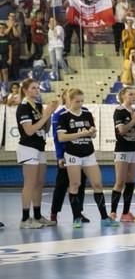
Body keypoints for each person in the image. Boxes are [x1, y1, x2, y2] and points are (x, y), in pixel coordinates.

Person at [57, 88, 120, 228]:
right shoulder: (64, 116)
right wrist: (81, 134)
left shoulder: (87, 114)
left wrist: (91, 133)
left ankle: (104, 218)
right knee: (75, 184)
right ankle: (76, 217)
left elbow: (93, 135)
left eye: (81, 101)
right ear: (70, 100)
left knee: (97, 184)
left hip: (88, 153)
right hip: (72, 154)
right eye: (76, 101)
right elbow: (61, 137)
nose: (79, 104)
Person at [16, 78, 58, 228]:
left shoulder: (38, 106)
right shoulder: (23, 107)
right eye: (33, 88)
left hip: (40, 146)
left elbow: (44, 129)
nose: (37, 90)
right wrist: (46, 115)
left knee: (39, 183)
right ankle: (25, 219)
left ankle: (38, 215)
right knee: (30, 183)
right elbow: (29, 130)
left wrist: (50, 114)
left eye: (38, 88)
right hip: (28, 147)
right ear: (26, 90)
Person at [49, 88, 89, 225]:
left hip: (81, 155)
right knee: (61, 185)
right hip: (66, 155)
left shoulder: (83, 112)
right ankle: (54, 213)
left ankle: (78, 213)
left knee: (80, 184)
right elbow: (57, 137)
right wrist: (60, 156)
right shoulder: (59, 114)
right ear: (65, 98)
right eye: (68, 96)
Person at [110, 88, 135, 223]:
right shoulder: (119, 111)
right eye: (130, 94)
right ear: (123, 96)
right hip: (122, 149)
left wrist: (134, 131)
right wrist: (133, 122)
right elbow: (122, 130)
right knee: (120, 181)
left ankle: (125, 212)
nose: (133, 97)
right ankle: (112, 212)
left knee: (131, 181)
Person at [0, 22, 11, 87]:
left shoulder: (7, 37)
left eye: (3, 28)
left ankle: (6, 86)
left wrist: (10, 58)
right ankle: (1, 88)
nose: (1, 29)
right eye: (0, 28)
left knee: (5, 71)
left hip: (5, 56)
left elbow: (10, 49)